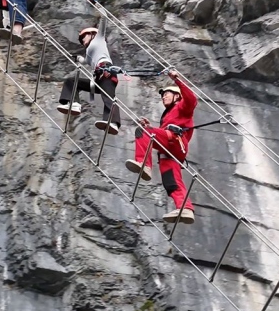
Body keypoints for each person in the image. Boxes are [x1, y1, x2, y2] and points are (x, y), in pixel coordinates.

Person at [125, 70, 197, 224]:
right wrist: (150, 127)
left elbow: (191, 100)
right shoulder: (169, 114)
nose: (164, 96)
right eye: (163, 94)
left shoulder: (182, 107)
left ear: (177, 96)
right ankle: (185, 208)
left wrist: (177, 80)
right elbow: (161, 134)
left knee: (142, 132)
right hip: (170, 150)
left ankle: (144, 164)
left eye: (167, 93)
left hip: (175, 142)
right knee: (171, 182)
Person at [57, 15, 122, 134]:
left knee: (108, 98)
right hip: (98, 78)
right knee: (71, 81)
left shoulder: (99, 38)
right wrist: (77, 58)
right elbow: (86, 61)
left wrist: (96, 4)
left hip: (107, 72)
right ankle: (74, 103)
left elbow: (104, 18)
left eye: (83, 37)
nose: (82, 40)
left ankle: (113, 122)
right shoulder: (89, 51)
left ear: (92, 34)